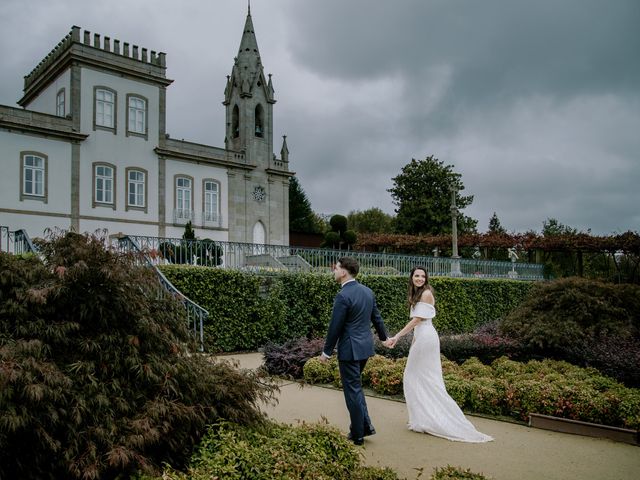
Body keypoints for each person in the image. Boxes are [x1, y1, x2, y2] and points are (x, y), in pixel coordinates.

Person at [387, 266, 493, 443]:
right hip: (421, 338)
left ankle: (437, 420)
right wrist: (413, 344)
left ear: (426, 279)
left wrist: (397, 336)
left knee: (427, 379)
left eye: (422, 276)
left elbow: (417, 320)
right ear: (411, 277)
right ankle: (422, 419)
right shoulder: (415, 295)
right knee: (415, 377)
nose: (420, 278)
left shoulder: (426, 293)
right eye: (416, 275)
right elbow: (417, 326)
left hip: (427, 338)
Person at [318, 256, 392, 445]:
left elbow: (335, 327)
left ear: (343, 272)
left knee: (352, 391)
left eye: (335, 268)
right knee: (356, 389)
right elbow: (378, 318)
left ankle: (358, 435)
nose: (333, 271)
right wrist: (384, 339)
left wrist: (326, 352)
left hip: (349, 350)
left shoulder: (343, 296)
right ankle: (364, 427)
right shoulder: (368, 291)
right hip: (365, 348)